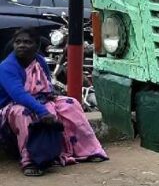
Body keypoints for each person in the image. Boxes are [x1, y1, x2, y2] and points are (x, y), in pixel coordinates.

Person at [0, 28, 107, 176]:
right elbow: (19, 95)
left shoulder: (39, 60)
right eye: (18, 42)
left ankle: (87, 150)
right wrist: (42, 111)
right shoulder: (7, 67)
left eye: (27, 42)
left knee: (70, 104)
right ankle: (31, 161)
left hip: (42, 99)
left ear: (36, 46)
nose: (21, 46)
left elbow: (46, 84)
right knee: (23, 113)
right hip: (12, 106)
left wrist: (50, 98)